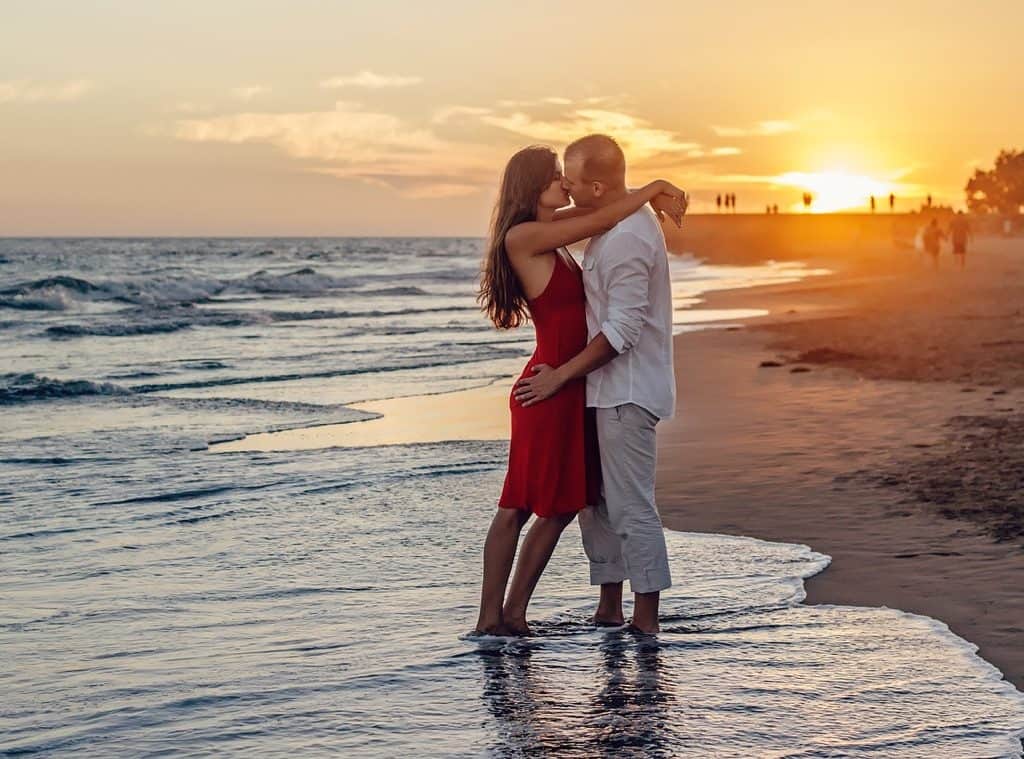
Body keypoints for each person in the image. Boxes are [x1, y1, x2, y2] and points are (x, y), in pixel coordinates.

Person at [474, 144, 687, 636]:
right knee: (523, 504)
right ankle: (495, 619)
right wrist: (653, 188)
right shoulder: (528, 235)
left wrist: (641, 193)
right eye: (555, 178)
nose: (564, 186)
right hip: (551, 385)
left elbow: (601, 208)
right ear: (534, 189)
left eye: (567, 178)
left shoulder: (552, 232)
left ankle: (512, 616)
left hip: (570, 384)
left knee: (565, 503)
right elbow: (600, 212)